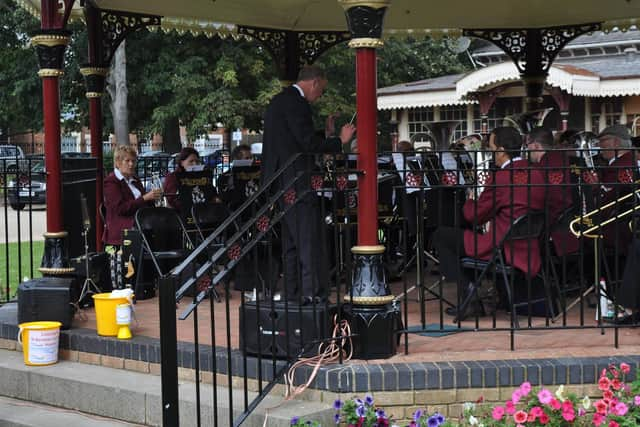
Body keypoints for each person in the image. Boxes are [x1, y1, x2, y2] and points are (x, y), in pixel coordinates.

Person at [261, 65, 356, 304]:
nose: (319, 96)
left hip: (280, 182)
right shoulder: (297, 103)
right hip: (296, 181)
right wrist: (338, 141)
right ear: (314, 82)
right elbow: (305, 143)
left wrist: (325, 133)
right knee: (307, 241)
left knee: (292, 243)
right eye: (321, 90)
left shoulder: (279, 101)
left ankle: (294, 296)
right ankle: (313, 295)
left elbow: (294, 138)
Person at [432, 127, 546, 319]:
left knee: (441, 235)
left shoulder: (501, 177)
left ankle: (469, 294)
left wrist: (469, 198)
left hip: (502, 246)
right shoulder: (536, 173)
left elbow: (474, 217)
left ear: (501, 150)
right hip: (527, 245)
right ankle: (475, 293)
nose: (490, 153)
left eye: (491, 147)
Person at [525, 127, 579, 256]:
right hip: (573, 224)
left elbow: (552, 200)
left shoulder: (539, 168)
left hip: (553, 228)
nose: (527, 150)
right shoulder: (567, 160)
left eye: (528, 145)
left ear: (536, 146)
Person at [103, 145, 162, 247]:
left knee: (167, 222)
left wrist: (155, 197)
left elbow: (145, 203)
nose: (131, 164)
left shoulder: (135, 179)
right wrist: (145, 198)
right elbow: (121, 209)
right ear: (118, 162)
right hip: (124, 228)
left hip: (142, 223)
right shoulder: (111, 182)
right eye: (127, 161)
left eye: (134, 161)